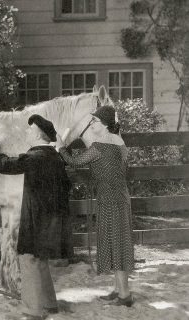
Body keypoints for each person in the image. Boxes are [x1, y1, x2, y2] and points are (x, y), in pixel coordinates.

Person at [0, 114, 73, 319]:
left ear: (39, 135)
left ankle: (32, 310)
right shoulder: (55, 157)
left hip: (37, 218)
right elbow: (67, 186)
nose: (27, 132)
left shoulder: (35, 157)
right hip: (53, 218)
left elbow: (6, 165)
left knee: (28, 258)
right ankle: (50, 305)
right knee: (40, 259)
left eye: (30, 130)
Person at [56, 105, 134, 307]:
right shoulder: (119, 141)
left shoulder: (100, 145)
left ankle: (125, 295)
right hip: (119, 198)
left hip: (111, 200)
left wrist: (61, 148)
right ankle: (118, 289)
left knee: (116, 245)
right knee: (117, 243)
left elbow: (74, 161)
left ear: (105, 124)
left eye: (95, 122)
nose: (91, 125)